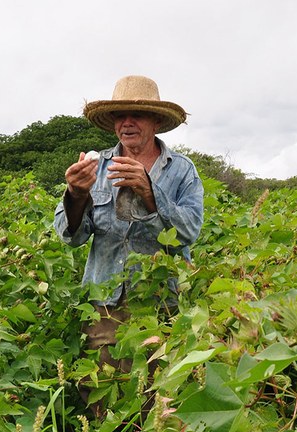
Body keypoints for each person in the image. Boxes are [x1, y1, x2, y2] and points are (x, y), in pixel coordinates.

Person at [54, 75, 204, 380]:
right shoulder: (97, 167)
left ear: (156, 121)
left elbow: (189, 231)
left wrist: (150, 193)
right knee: (101, 384)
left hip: (161, 299)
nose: (127, 122)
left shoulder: (181, 170)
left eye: (137, 114)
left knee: (156, 387)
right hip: (105, 302)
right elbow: (70, 237)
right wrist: (77, 195)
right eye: (120, 115)